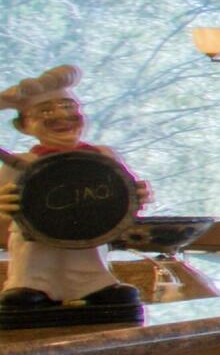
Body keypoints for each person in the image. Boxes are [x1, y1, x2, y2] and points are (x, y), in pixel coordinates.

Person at [0, 64, 148, 326]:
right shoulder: (21, 165)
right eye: (45, 111)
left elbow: (128, 191)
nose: (61, 115)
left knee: (87, 258)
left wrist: (137, 194)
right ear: (24, 126)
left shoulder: (103, 157)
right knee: (33, 259)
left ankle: (95, 286)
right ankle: (31, 287)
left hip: (88, 237)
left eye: (69, 107)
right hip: (35, 242)